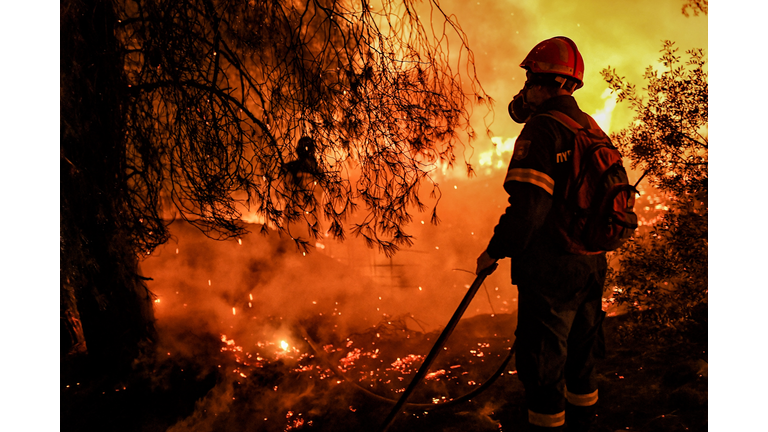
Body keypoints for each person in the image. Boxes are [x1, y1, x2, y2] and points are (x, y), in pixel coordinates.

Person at [476, 36, 607, 432]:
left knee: (543, 360)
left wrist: (494, 251)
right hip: (591, 262)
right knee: (582, 355)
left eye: (529, 77)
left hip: (551, 267)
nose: (524, 88)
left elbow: (529, 209)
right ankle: (586, 422)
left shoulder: (542, 129)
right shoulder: (589, 126)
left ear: (545, 81)